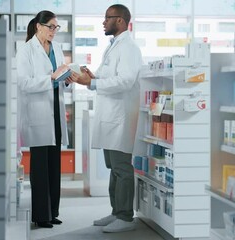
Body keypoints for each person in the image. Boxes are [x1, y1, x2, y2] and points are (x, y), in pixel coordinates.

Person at [75, 4, 143, 233]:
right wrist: (93, 76)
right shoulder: (114, 47)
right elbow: (109, 76)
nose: (104, 22)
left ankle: (125, 217)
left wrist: (92, 83)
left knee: (122, 167)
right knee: (113, 167)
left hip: (121, 117)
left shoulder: (129, 48)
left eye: (108, 18)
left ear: (121, 21)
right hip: (110, 116)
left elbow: (125, 81)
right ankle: (116, 212)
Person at [16, 10, 78, 228]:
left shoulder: (58, 48)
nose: (54, 31)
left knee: (54, 164)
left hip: (56, 110)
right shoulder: (25, 50)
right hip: (38, 112)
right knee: (40, 166)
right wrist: (50, 78)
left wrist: (67, 79)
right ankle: (41, 216)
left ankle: (52, 212)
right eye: (50, 26)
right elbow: (23, 83)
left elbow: (58, 76)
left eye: (56, 27)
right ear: (38, 27)